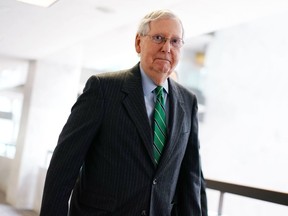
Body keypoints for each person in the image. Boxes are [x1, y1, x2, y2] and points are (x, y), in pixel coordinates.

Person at [40, 9, 207, 216]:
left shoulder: (187, 102)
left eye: (175, 41)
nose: (166, 48)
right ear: (139, 43)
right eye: (158, 38)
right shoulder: (102, 89)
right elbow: (63, 166)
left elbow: (192, 176)